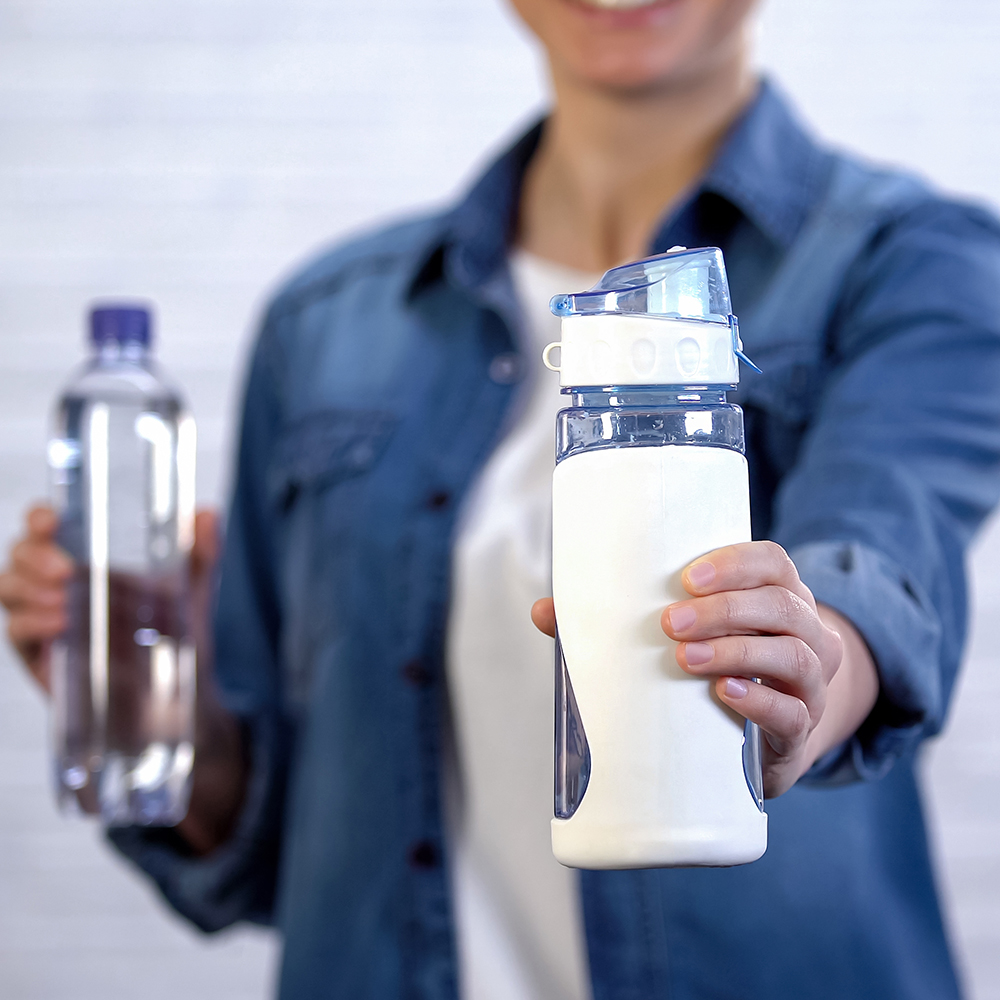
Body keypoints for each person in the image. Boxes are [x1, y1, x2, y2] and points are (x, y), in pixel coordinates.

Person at [3, 0, 1000, 997]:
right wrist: (153, 689)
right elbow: (276, 856)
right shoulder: (327, 324)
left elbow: (880, 562)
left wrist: (805, 673)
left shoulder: (909, 264)